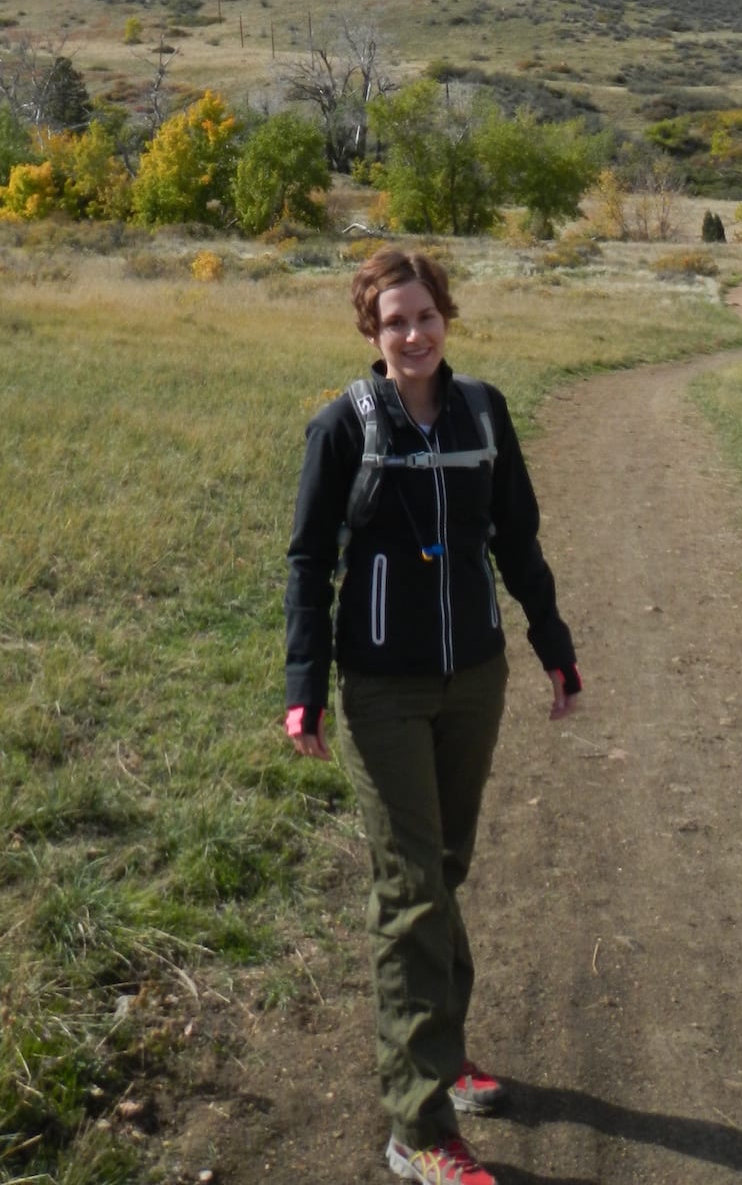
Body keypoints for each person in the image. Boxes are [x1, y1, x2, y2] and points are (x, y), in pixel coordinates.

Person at [285, 247, 581, 1185]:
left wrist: (555, 646)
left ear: (447, 317)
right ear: (370, 332)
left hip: (473, 681)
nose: (412, 335)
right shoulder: (341, 427)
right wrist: (305, 685)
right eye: (393, 322)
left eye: (425, 316)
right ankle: (417, 1130)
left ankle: (445, 1056)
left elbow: (519, 540)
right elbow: (306, 565)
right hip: (381, 690)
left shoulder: (484, 413)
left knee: (444, 867)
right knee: (411, 889)